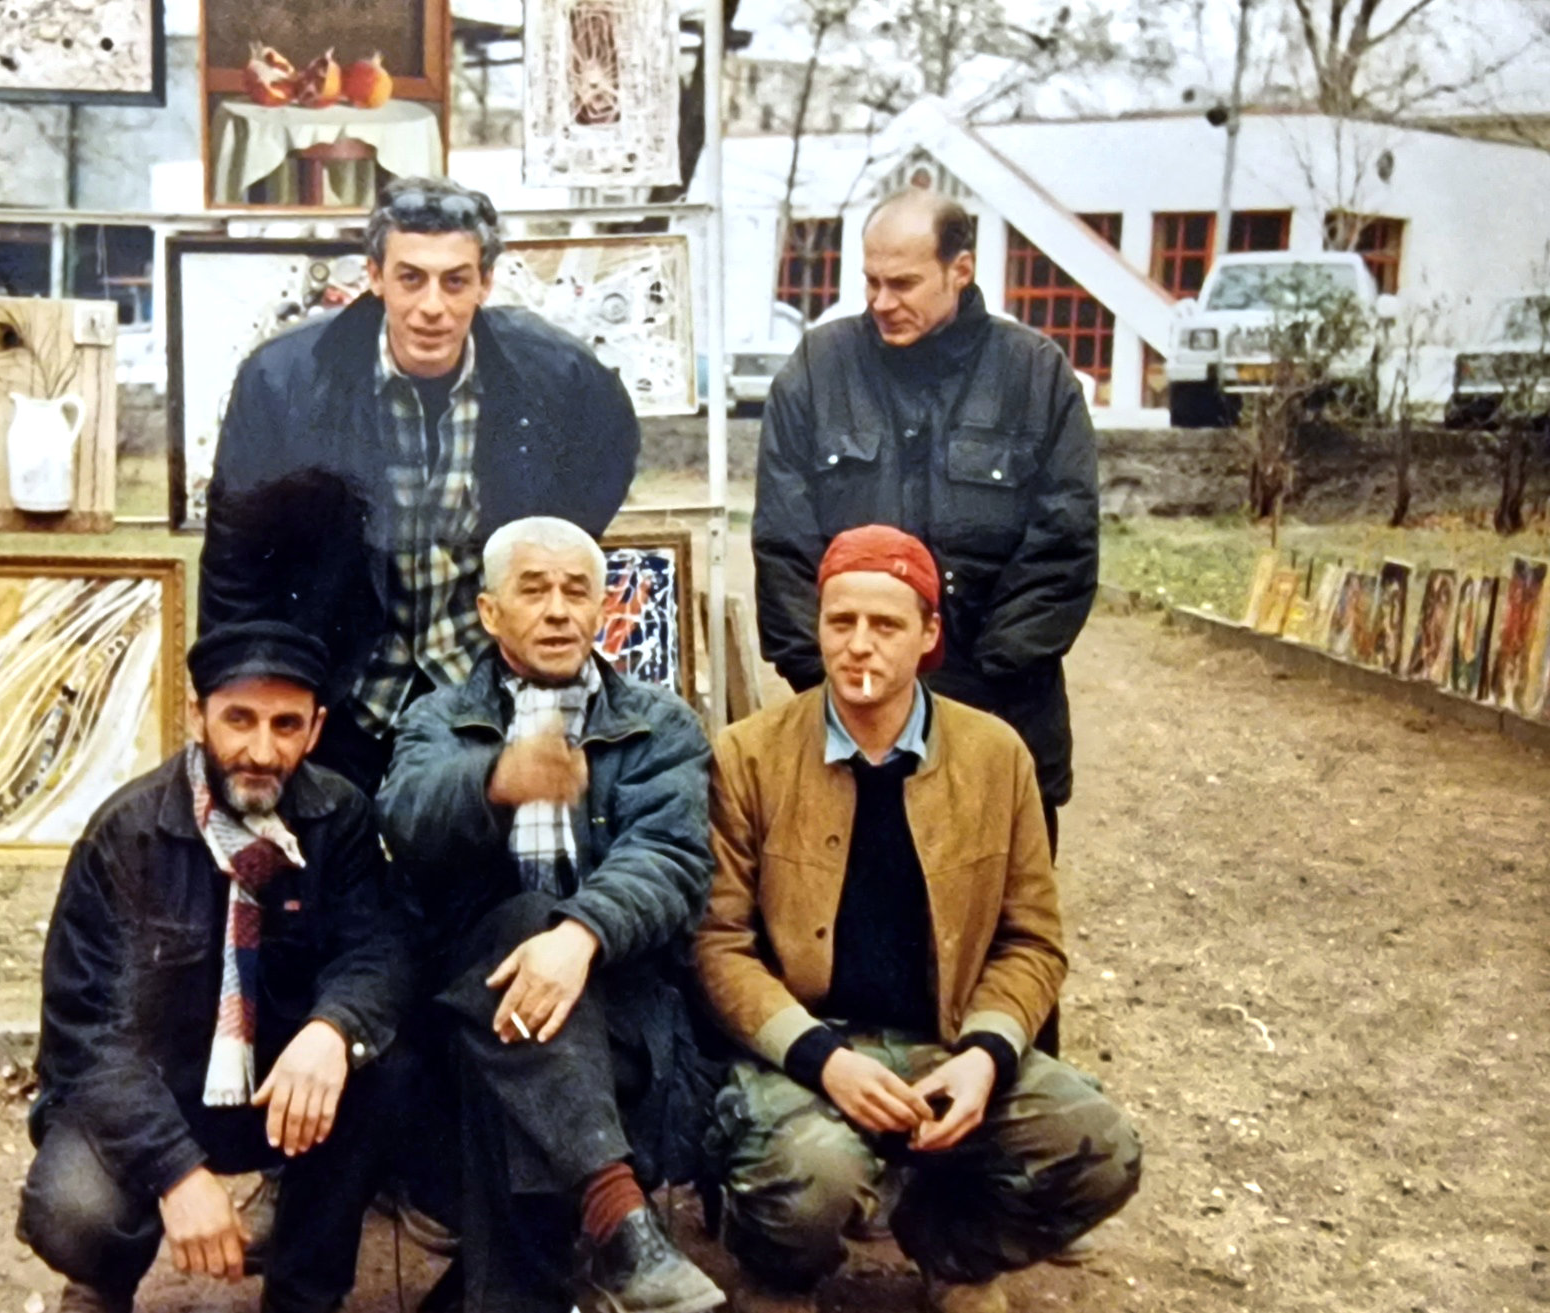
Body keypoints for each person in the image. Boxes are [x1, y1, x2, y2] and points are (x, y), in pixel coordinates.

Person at [696, 526, 1140, 1313]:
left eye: (886, 624)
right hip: (804, 1052)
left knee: (1098, 1145)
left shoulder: (996, 755)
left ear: (930, 634)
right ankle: (777, 1270)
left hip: (945, 1039)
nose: (858, 645)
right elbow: (717, 944)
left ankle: (952, 1247)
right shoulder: (748, 756)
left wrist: (985, 1056)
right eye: (840, 622)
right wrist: (821, 1056)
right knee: (809, 1180)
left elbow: (1031, 938)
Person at [18, 621, 418, 1313]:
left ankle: (303, 1294)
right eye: (239, 718)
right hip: (157, 1093)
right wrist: (177, 1171)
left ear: (316, 729)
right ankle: (102, 1280)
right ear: (196, 714)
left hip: (279, 1093)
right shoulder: (127, 832)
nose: (261, 750)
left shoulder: (339, 816)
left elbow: (377, 950)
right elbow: (85, 1037)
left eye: (286, 723)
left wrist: (333, 1027)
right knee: (78, 1208)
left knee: (384, 1067)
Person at [376, 517, 723, 1313]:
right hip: (471, 1003)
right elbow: (403, 819)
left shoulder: (658, 722)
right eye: (534, 590)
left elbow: (671, 859)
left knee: (528, 989)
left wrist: (581, 935)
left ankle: (507, 1290)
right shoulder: (438, 718)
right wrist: (495, 778)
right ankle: (617, 1222)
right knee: (518, 928)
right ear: (492, 613)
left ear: (604, 609)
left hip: (620, 1014)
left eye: (577, 591)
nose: (559, 610)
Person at [198, 176, 644, 796]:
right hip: (341, 688)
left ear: (486, 283)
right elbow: (235, 564)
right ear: (375, 276)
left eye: (455, 281)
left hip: (483, 692)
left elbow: (608, 454)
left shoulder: (555, 376)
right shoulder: (285, 382)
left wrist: (538, 559)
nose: (431, 306)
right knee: (331, 878)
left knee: (473, 874)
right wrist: (242, 699)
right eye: (411, 278)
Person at [753, 187, 1099, 846]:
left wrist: (964, 701)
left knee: (999, 934)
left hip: (1001, 721)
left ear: (960, 270)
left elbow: (1063, 550)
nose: (882, 302)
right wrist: (844, 685)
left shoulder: (1036, 376)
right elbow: (783, 545)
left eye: (903, 283)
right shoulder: (817, 371)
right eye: (871, 282)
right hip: (849, 729)